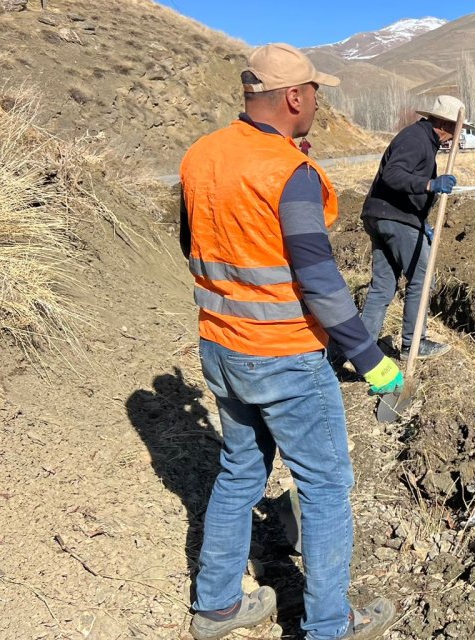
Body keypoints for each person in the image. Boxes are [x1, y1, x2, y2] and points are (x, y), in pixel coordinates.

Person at [178, 43, 399, 640]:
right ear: (294, 97)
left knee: (239, 471)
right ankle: (329, 624)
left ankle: (217, 605)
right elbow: (319, 279)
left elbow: (191, 244)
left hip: (220, 347)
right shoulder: (288, 172)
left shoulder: (202, 155)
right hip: (282, 357)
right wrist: (370, 356)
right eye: (316, 93)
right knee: (326, 487)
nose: (319, 103)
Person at [359, 94, 465, 360]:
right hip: (394, 218)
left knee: (383, 286)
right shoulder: (416, 139)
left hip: (385, 216)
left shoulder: (423, 141)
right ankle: (414, 344)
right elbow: (393, 175)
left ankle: (362, 351)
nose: (455, 137)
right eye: (455, 130)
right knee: (421, 277)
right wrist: (430, 184)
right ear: (443, 123)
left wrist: (422, 222)